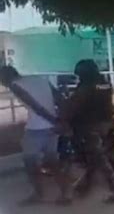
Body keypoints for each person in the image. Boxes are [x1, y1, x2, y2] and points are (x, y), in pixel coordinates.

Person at [0, 66, 71, 205]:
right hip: (52, 128)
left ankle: (39, 194)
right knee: (53, 162)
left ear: (5, 77)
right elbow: (59, 98)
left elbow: (35, 106)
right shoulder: (39, 79)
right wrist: (61, 120)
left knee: (29, 162)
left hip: (37, 128)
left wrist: (54, 121)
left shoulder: (15, 85)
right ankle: (66, 193)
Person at [61, 59, 114, 203]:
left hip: (89, 126)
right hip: (106, 123)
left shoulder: (86, 87)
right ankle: (85, 185)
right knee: (97, 156)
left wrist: (64, 118)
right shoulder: (104, 83)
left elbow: (74, 105)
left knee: (98, 158)